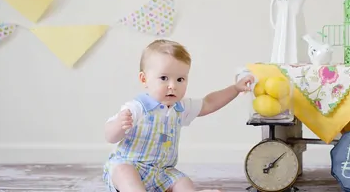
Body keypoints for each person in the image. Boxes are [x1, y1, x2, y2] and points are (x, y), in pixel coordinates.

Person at [102, 39, 255, 192]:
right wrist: (119, 125)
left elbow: (209, 103)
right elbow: (110, 136)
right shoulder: (137, 107)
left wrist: (235, 89)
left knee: (183, 182)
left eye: (180, 79)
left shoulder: (181, 107)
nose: (173, 86)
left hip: (162, 171)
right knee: (125, 173)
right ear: (144, 79)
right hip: (130, 165)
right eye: (163, 78)